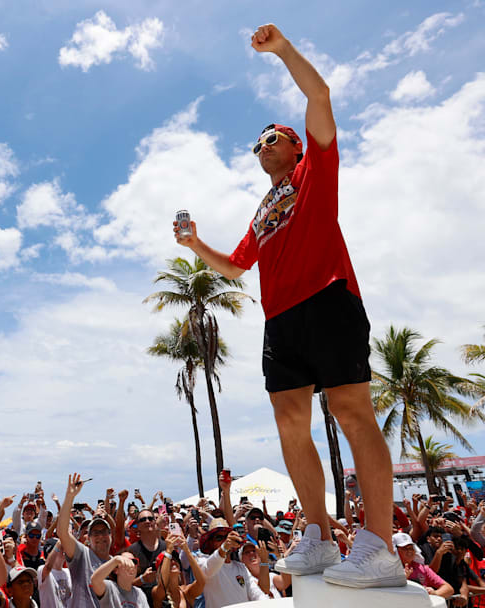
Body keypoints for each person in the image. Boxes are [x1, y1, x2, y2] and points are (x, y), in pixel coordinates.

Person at [172, 22, 403, 589]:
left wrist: (281, 52)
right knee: (290, 424)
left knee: (352, 411)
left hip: (328, 296)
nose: (262, 148)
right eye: (256, 146)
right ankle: (320, 538)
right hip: (280, 320)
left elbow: (318, 96)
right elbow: (235, 266)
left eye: (271, 138)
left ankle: (379, 543)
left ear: (295, 144)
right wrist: (194, 243)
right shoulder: (262, 209)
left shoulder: (314, 168)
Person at [56, 474, 114, 608]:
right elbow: (62, 532)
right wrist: (70, 497)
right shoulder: (82, 556)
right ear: (88, 538)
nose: (100, 536)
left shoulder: (116, 565)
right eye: (95, 533)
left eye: (104, 532)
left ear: (110, 535)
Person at [393, 533, 453, 600]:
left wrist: (434, 594)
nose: (409, 551)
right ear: (395, 550)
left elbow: (448, 588)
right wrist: (401, 579)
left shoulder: (422, 568)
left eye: (411, 548)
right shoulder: (388, 569)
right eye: (405, 548)